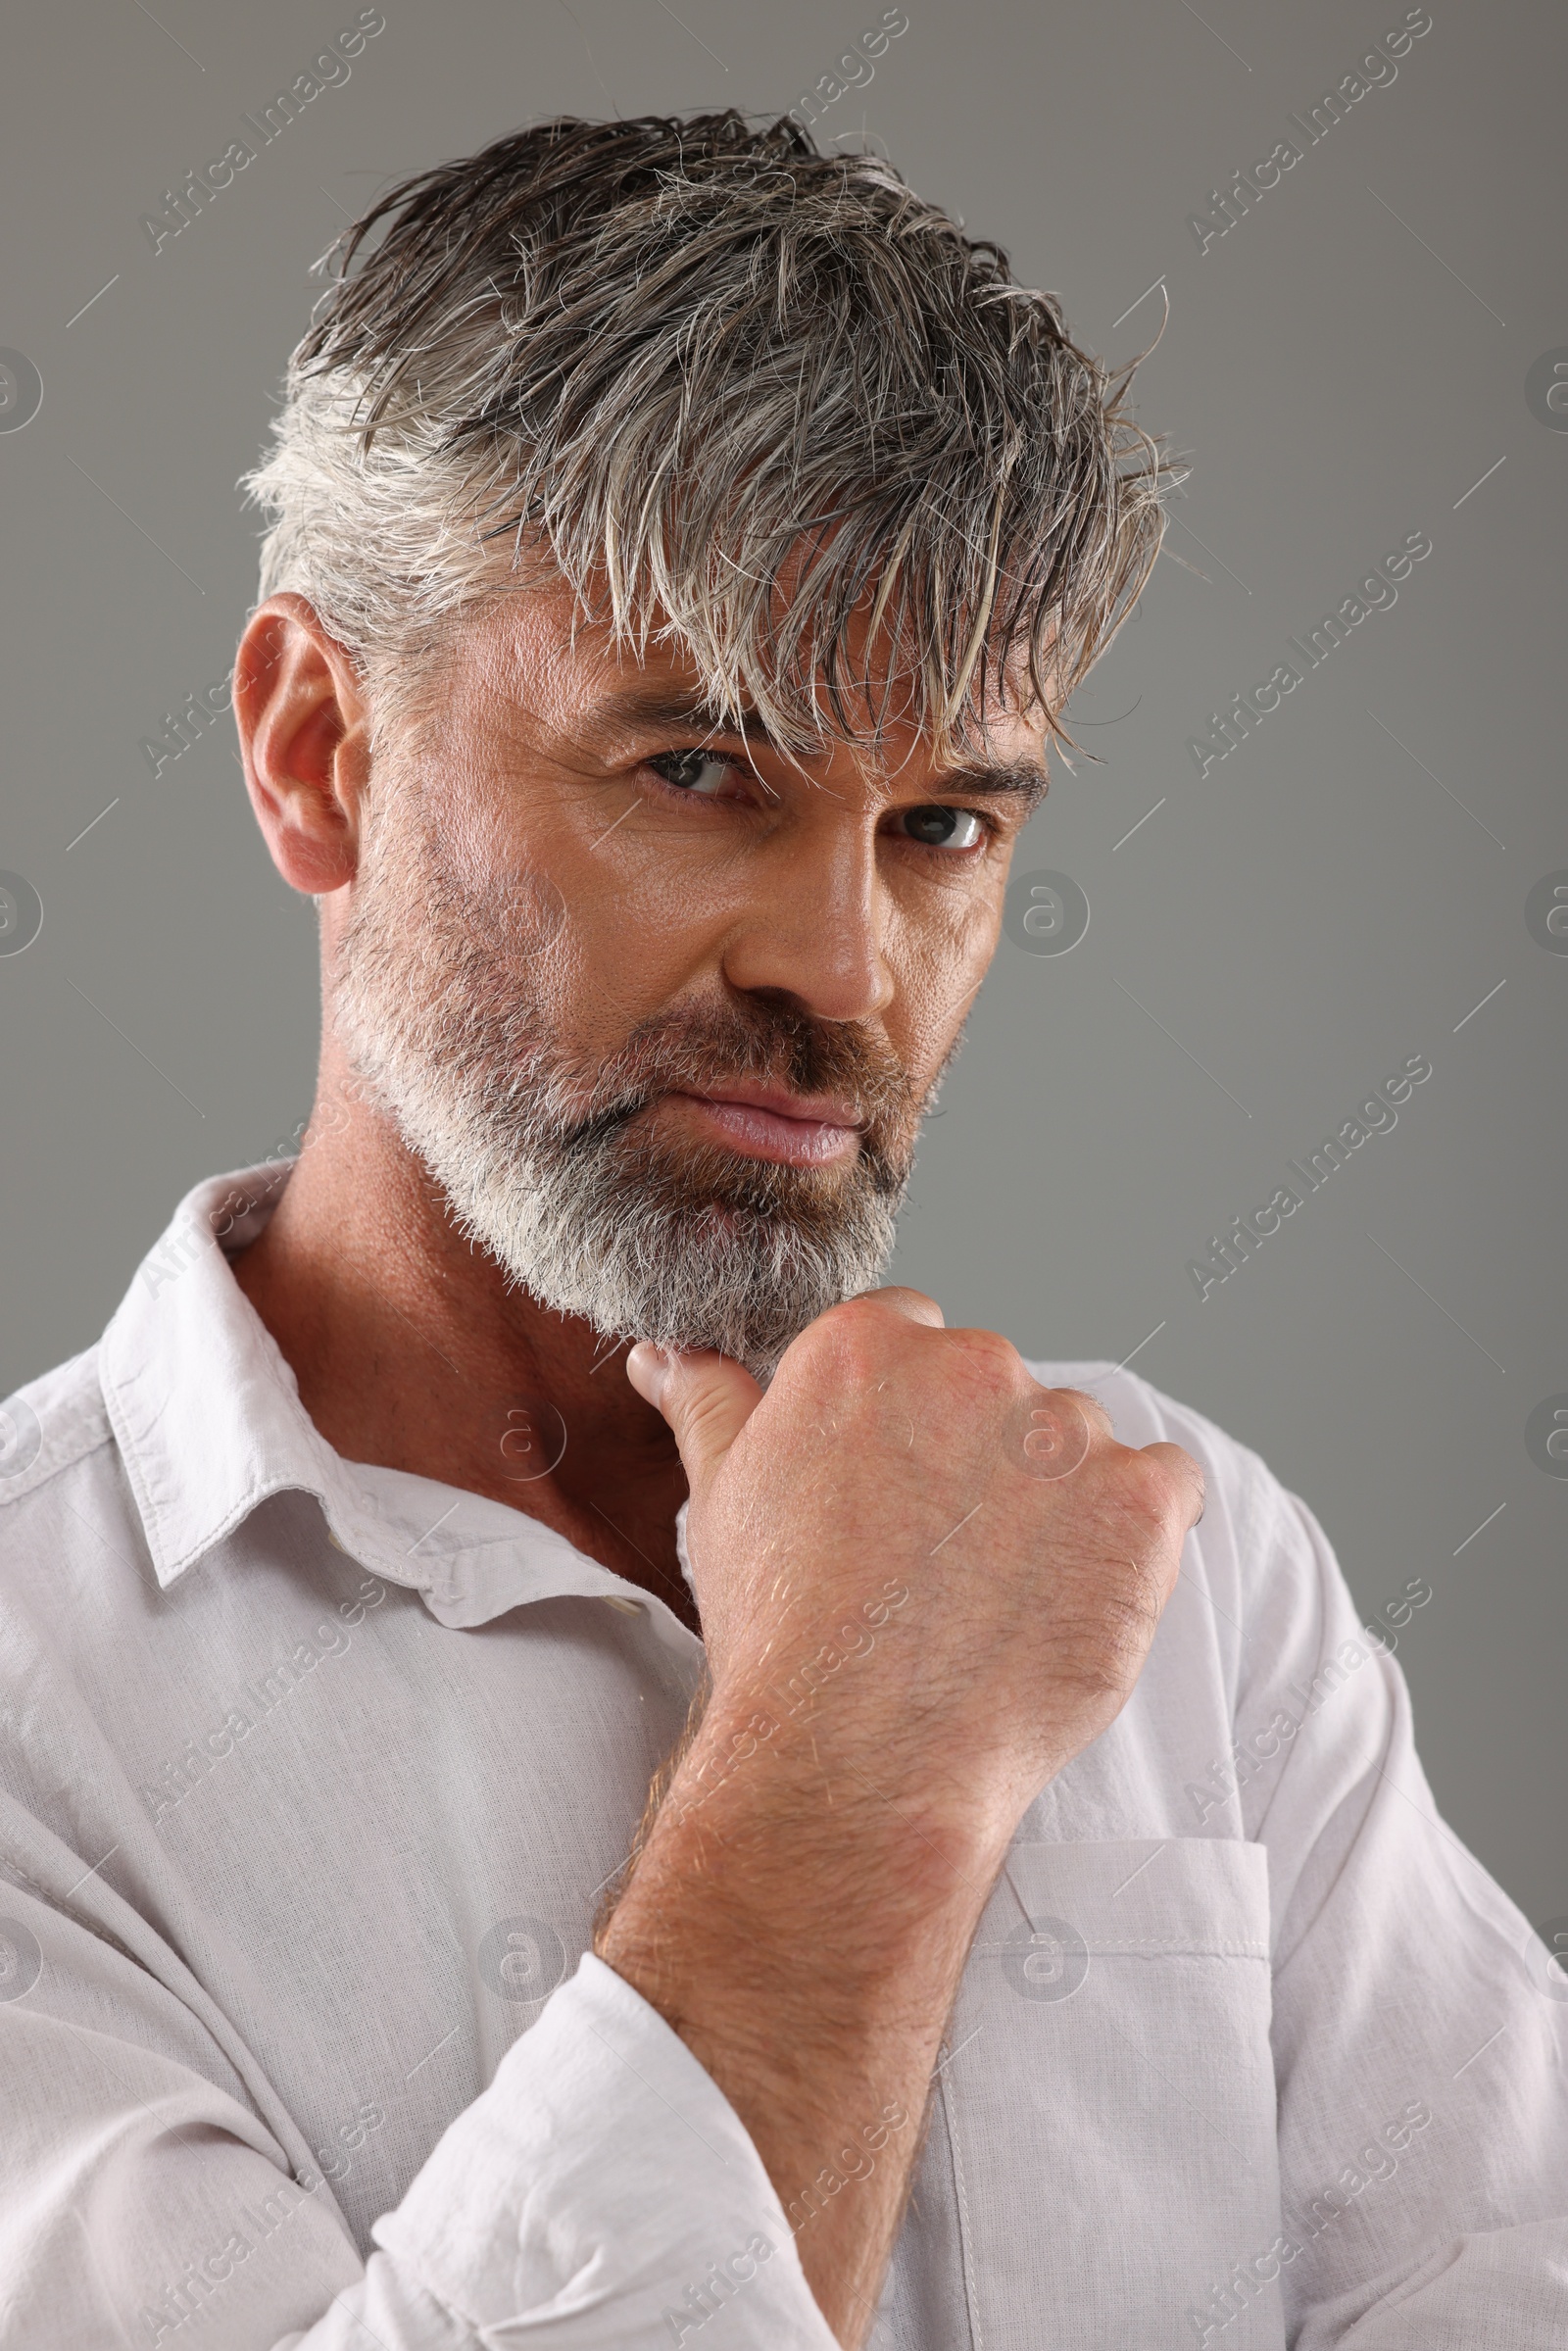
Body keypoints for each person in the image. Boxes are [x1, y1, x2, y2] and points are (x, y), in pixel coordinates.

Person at [0, 110, 1561, 2351]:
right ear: (316, 747)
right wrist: (853, 1763)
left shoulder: (1180, 1570)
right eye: (701, 773)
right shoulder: (33, 1710)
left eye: (938, 823)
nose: (844, 969)